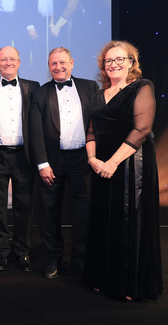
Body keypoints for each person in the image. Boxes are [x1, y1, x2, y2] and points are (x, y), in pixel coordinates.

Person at [83, 40, 162, 301]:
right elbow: (92, 131)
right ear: (103, 66)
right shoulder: (98, 94)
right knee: (103, 219)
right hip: (101, 164)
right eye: (109, 61)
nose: (114, 64)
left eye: (120, 59)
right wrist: (93, 159)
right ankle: (102, 277)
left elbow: (141, 130)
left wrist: (113, 162)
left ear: (131, 63)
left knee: (128, 221)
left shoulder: (142, 87)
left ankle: (128, 284)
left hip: (131, 163)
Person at [29, 47, 99, 279]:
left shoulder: (90, 87)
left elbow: (97, 125)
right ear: (48, 66)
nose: (58, 67)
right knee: (49, 214)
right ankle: (53, 259)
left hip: (83, 160)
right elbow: (35, 132)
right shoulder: (40, 93)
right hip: (53, 162)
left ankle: (81, 260)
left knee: (84, 213)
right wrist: (42, 164)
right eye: (53, 64)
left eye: (62, 62)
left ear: (72, 62)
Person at [0, 46, 40, 272]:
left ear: (19, 61)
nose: (7, 62)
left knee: (24, 206)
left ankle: (22, 251)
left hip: (24, 155)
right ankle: (1, 252)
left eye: (12, 59)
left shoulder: (33, 88)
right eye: (3, 59)